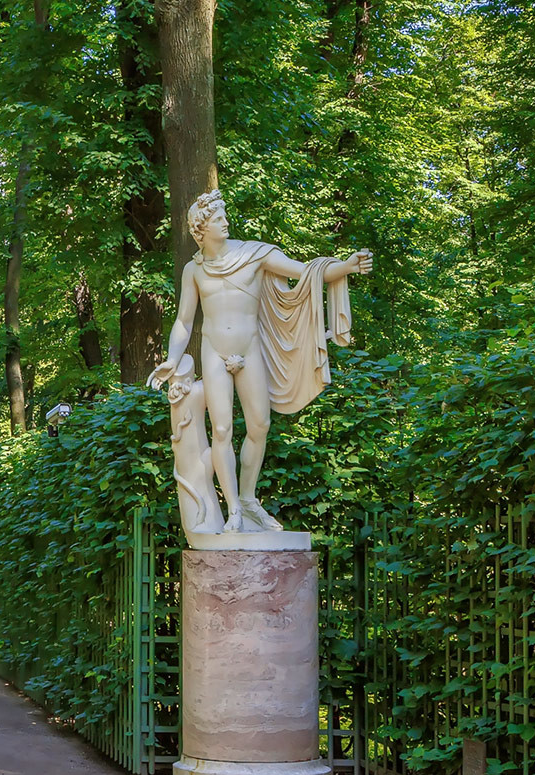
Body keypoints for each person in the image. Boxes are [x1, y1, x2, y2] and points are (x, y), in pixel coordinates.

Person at [149, 190, 372, 533]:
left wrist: (346, 267)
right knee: (221, 430)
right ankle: (234, 508)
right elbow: (184, 321)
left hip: (249, 349)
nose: (226, 223)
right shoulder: (193, 270)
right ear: (201, 228)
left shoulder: (253, 254)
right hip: (215, 351)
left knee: (260, 426)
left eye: (224, 217)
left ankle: (250, 500)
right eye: (218, 219)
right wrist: (172, 358)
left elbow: (306, 272)